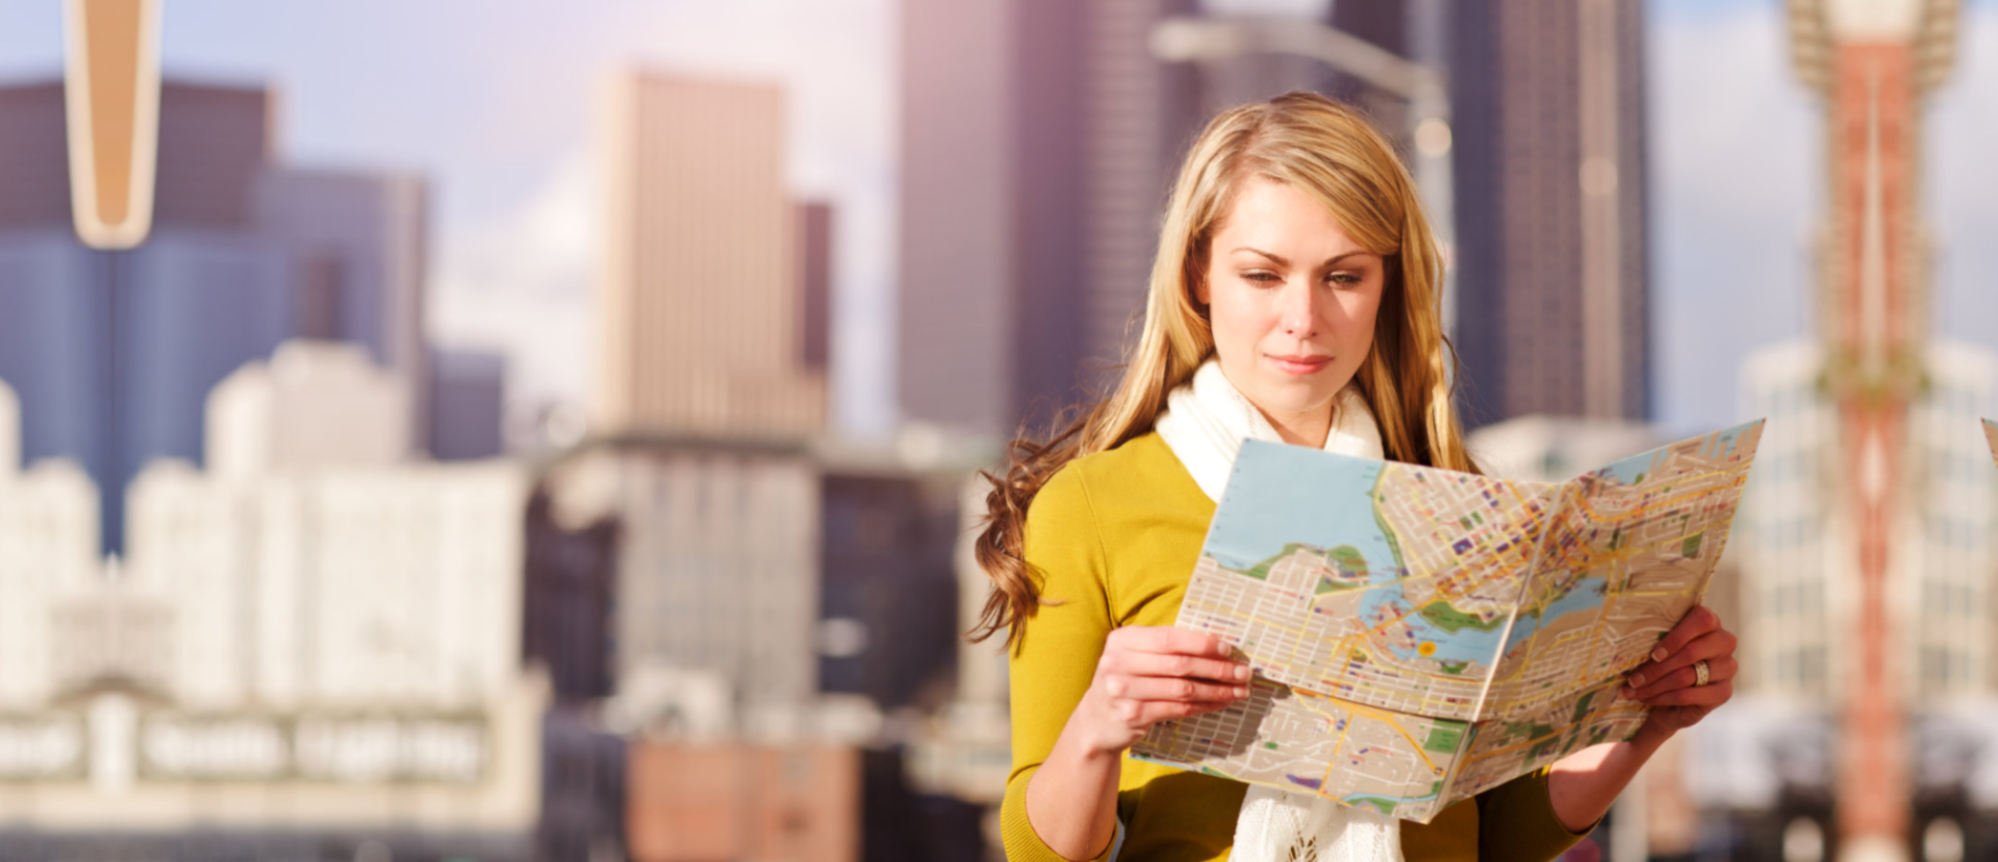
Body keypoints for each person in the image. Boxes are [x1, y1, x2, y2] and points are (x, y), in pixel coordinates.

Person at [969, 92, 1740, 862]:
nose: (1303, 317)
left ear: (1388, 286)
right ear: (1199, 274)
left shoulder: (1452, 505)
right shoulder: (1093, 507)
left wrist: (1648, 719)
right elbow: (1038, 851)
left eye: (1343, 276)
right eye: (1262, 275)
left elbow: (1500, 836)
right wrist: (1101, 724)